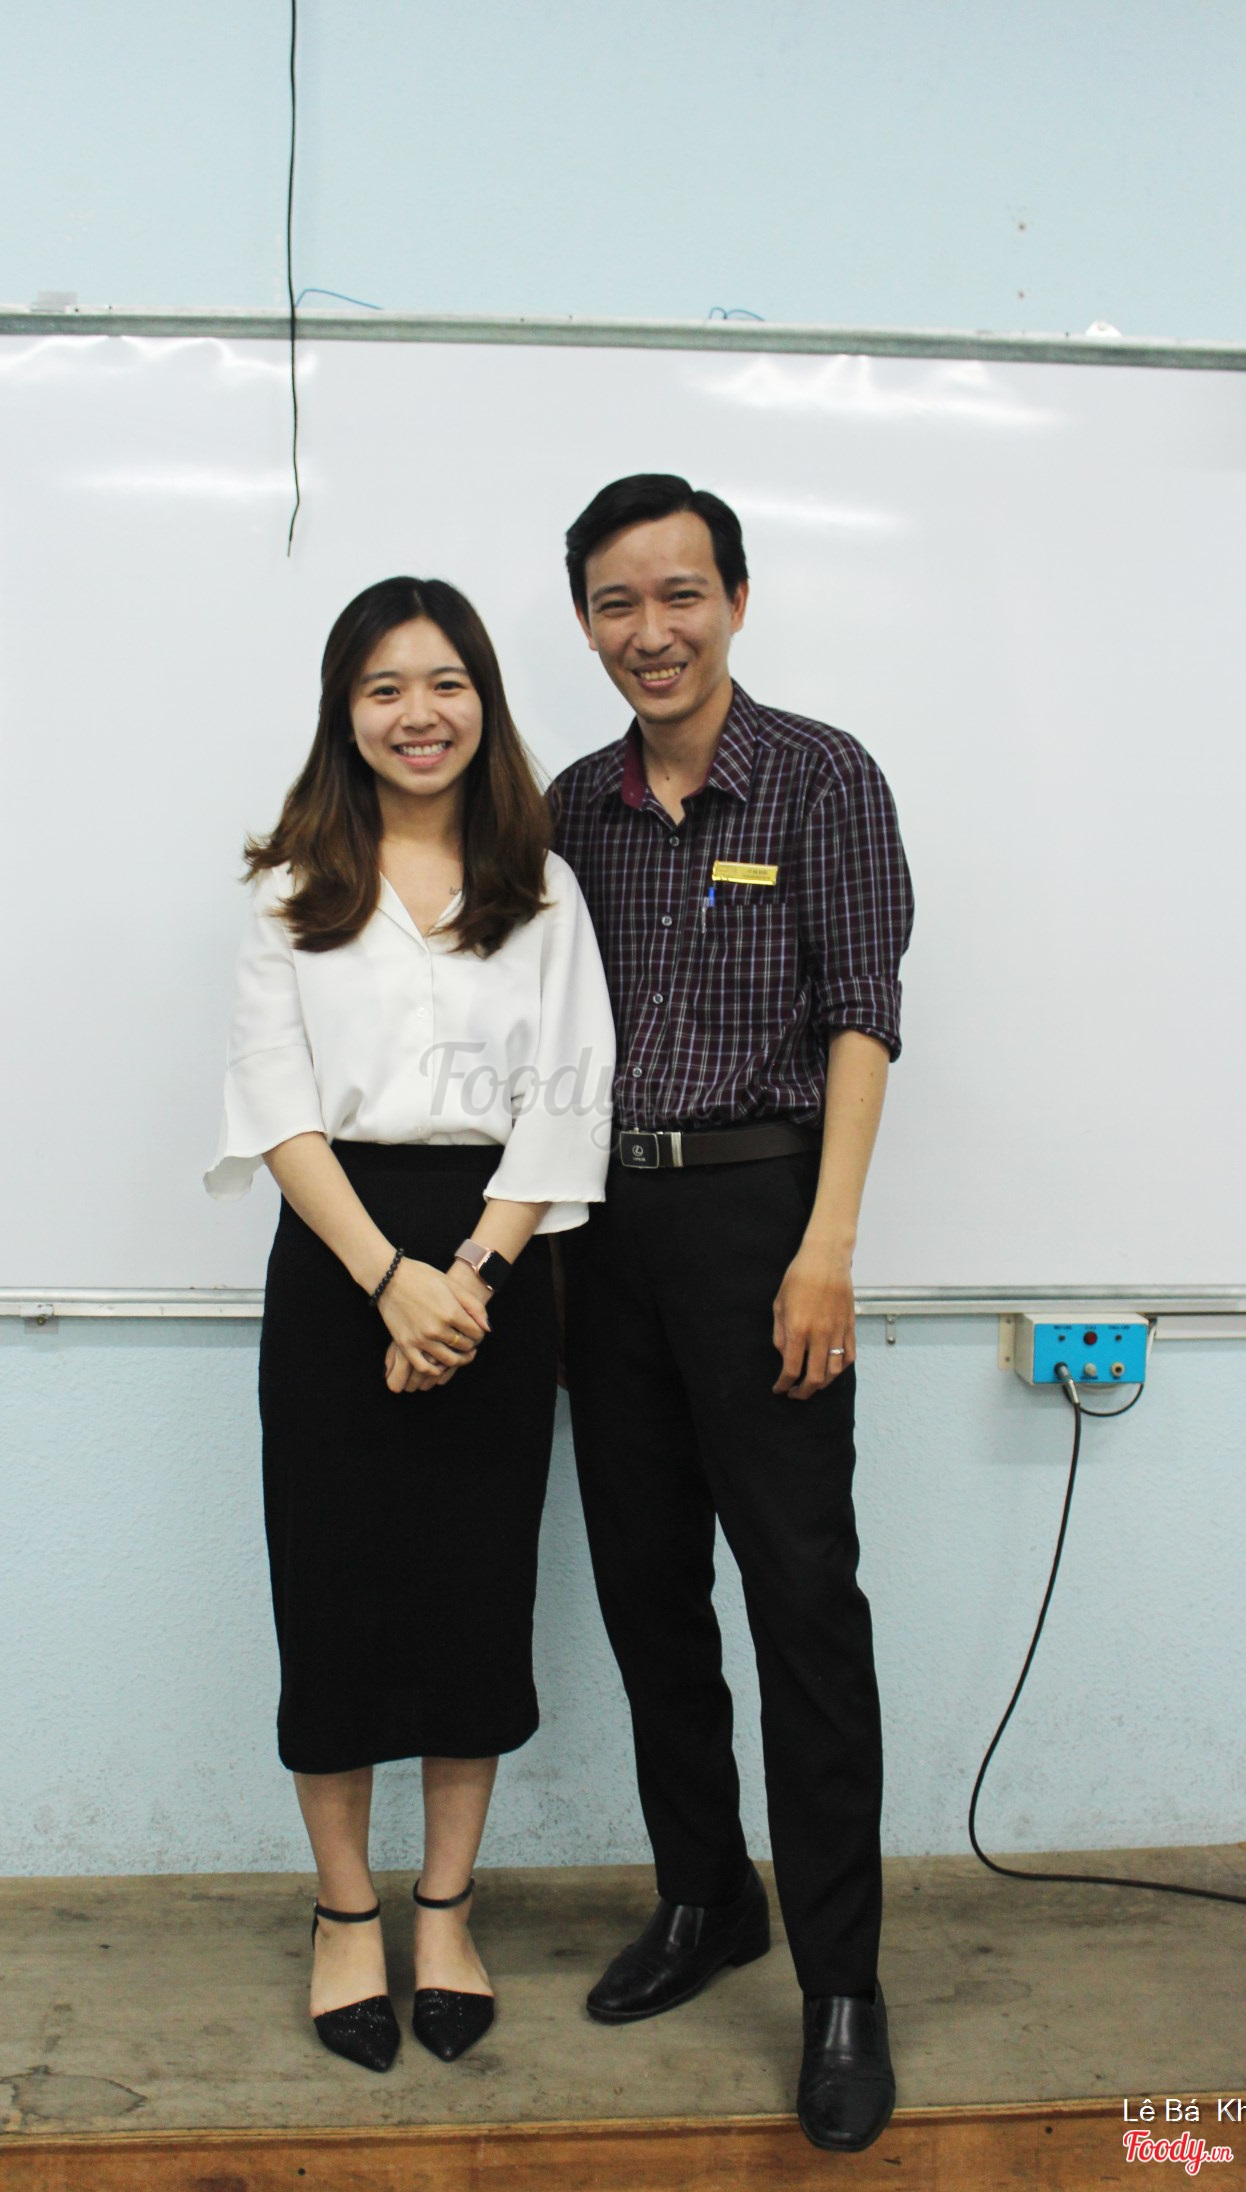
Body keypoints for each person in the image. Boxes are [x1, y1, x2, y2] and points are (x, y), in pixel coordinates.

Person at [205, 575, 614, 2073]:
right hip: (338, 1260)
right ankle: (343, 1911)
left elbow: (571, 1099)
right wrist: (391, 1280)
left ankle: (446, 1909)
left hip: (498, 1254)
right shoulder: (290, 888)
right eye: (384, 687)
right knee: (333, 1594)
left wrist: (470, 1282)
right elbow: (276, 1108)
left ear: (484, 703)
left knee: (470, 1591)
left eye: (446, 683)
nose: (418, 713)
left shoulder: (541, 886)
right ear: (346, 711)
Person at [551, 475, 914, 2154]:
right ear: (587, 624)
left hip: (767, 1220)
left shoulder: (823, 775)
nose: (654, 631)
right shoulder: (575, 806)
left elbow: (863, 1012)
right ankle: (705, 1896)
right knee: (647, 1592)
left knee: (802, 1601)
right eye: (618, 603)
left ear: (738, 601)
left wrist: (827, 1243)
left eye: (681, 593)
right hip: (604, 1232)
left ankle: (843, 1982)